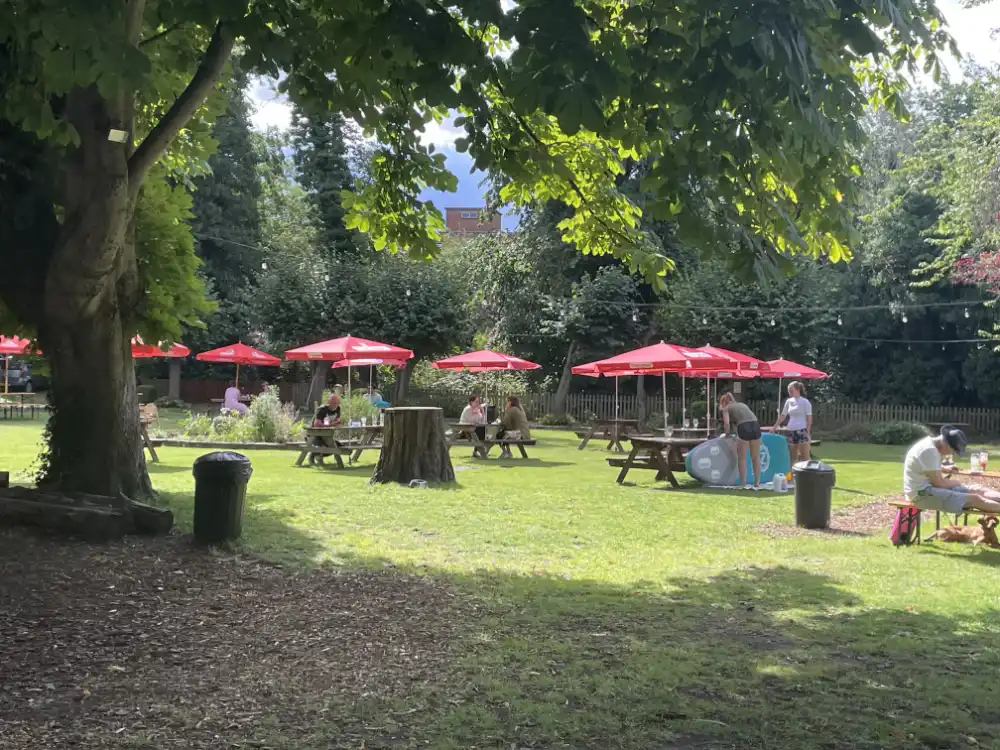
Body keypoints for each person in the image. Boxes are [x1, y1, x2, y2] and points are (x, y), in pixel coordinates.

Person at [903, 425, 1000, 513]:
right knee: (975, 499)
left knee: (979, 489)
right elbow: (939, 484)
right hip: (920, 494)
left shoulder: (930, 445)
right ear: (947, 444)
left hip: (930, 488)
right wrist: (956, 483)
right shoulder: (929, 451)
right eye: (954, 451)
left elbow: (926, 467)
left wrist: (944, 468)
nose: (952, 454)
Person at [719, 392, 762, 489]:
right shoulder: (740, 404)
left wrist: (727, 434)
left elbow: (727, 423)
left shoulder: (726, 408)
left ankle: (743, 483)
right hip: (755, 425)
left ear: (722, 403)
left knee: (742, 458)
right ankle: (757, 482)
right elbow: (734, 401)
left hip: (744, 426)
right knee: (755, 457)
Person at [774, 380, 813, 464]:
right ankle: (792, 472)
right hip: (791, 431)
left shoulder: (805, 402)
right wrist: (774, 427)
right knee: (792, 458)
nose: (790, 393)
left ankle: (808, 472)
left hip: (802, 430)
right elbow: (783, 415)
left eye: (791, 390)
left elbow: (809, 418)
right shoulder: (788, 402)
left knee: (805, 457)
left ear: (798, 390)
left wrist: (807, 431)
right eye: (789, 391)